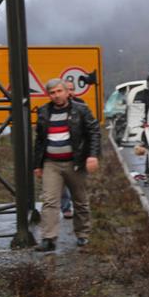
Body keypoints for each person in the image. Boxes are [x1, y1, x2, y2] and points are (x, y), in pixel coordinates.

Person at [32, 77, 101, 252]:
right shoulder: (44, 112)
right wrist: (37, 165)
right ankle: (48, 239)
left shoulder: (81, 110)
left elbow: (94, 131)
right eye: (52, 93)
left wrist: (92, 156)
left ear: (67, 91)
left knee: (80, 200)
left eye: (59, 91)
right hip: (51, 163)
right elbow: (40, 140)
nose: (56, 95)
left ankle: (83, 235)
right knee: (49, 201)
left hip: (74, 163)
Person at [60, 78, 86, 219]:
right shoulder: (54, 107)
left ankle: (79, 208)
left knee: (77, 183)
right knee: (62, 182)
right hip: (60, 151)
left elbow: (89, 128)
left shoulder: (81, 105)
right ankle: (66, 208)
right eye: (67, 89)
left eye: (72, 89)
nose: (69, 92)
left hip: (77, 151)